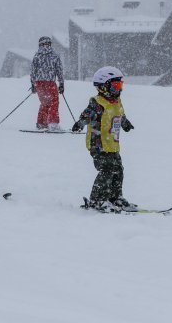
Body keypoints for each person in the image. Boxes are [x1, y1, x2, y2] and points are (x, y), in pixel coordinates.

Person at [72, 66, 136, 212]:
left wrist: (125, 123)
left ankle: (115, 197)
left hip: (112, 144)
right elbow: (87, 115)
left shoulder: (117, 101)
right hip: (99, 145)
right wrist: (80, 123)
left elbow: (120, 114)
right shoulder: (98, 103)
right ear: (103, 87)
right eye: (115, 86)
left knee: (118, 170)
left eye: (120, 86)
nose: (118, 90)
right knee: (106, 170)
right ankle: (97, 200)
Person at [30, 36, 65, 132]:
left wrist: (33, 84)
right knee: (54, 102)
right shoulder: (54, 56)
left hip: (39, 83)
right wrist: (61, 83)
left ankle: (42, 123)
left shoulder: (37, 56)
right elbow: (59, 70)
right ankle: (53, 124)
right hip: (50, 82)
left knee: (45, 103)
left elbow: (33, 71)